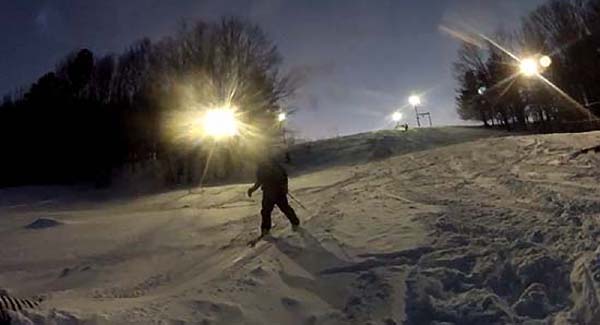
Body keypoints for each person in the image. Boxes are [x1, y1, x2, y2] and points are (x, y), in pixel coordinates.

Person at [247, 158, 300, 236]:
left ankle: (294, 222)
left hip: (275, 193)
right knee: (269, 210)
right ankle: (266, 228)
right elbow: (260, 181)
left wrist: (284, 187)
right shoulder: (265, 167)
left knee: (278, 209)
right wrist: (252, 189)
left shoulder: (268, 167)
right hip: (271, 192)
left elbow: (283, 177)